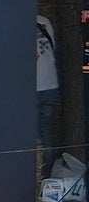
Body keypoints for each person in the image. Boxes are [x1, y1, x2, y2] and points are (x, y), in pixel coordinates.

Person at [37, 12, 63, 177]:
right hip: (51, 84)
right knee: (46, 131)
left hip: (31, 87)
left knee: (31, 134)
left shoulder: (15, 23)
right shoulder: (44, 21)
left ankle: (36, 177)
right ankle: (46, 174)